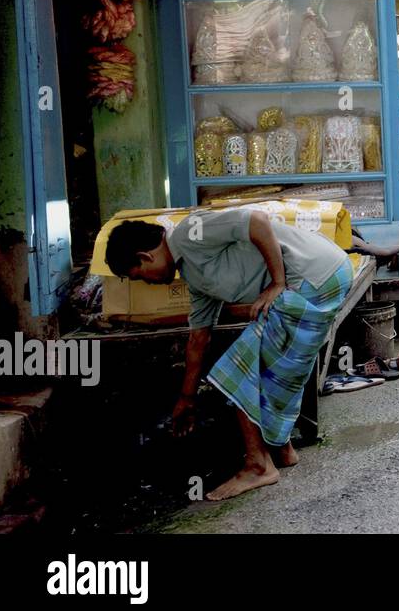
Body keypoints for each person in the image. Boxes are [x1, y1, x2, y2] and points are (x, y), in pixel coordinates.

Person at [104, 207, 352, 500]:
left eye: (142, 277)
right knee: (269, 367)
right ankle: (281, 451)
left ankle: (259, 465)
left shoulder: (188, 232)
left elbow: (256, 221)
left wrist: (277, 282)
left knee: (235, 370)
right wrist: (186, 400)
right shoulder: (194, 276)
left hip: (315, 277)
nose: (149, 282)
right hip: (317, 279)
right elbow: (199, 339)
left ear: (146, 256)